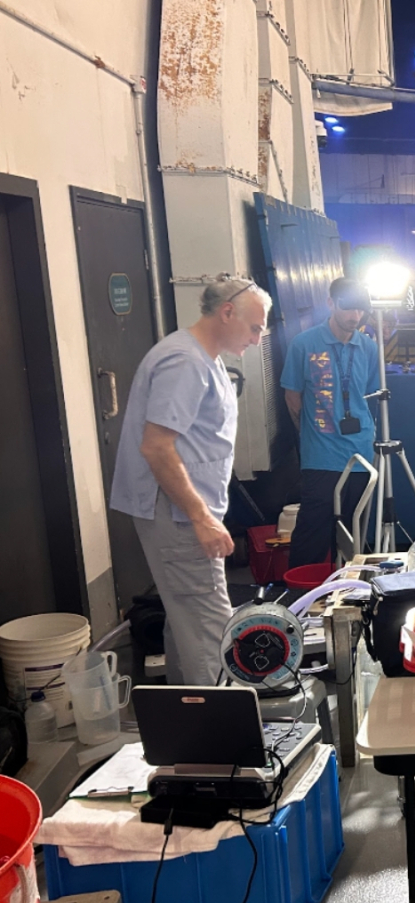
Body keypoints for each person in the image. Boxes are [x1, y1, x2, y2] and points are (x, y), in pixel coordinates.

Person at [110, 277, 271, 684]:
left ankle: (191, 727)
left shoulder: (206, 358)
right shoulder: (184, 362)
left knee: (185, 624)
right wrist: (202, 518)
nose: (258, 339)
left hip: (185, 510)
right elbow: (157, 448)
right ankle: (224, 736)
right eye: (254, 327)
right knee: (210, 629)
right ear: (227, 312)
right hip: (178, 514)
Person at [281, 277, 380, 567]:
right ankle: (300, 597)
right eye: (348, 309)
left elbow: (369, 395)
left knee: (354, 530)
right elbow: (292, 397)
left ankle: (349, 595)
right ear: (330, 304)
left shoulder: (368, 347)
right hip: (321, 453)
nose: (355, 317)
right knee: (312, 529)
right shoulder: (304, 344)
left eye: (360, 311)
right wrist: (307, 436)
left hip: (361, 451)